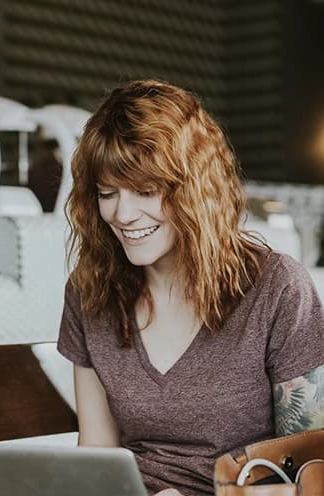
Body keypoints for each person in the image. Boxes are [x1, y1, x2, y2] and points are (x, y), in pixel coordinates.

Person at [57, 79, 324, 496]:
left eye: (146, 191)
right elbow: (97, 457)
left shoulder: (277, 289)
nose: (123, 214)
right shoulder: (90, 291)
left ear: (196, 189)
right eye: (107, 193)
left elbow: (311, 471)